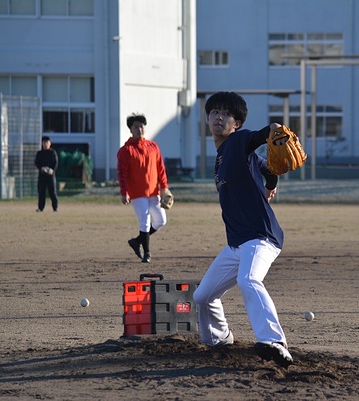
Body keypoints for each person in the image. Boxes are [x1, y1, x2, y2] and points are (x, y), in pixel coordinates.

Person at [192, 92, 293, 368]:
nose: (219, 117)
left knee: (248, 280)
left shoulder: (237, 140)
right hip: (237, 243)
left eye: (226, 114)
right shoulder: (223, 155)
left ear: (236, 123)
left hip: (260, 237)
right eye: (214, 112)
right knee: (203, 296)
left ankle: (275, 341)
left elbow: (259, 137)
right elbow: (269, 167)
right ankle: (220, 338)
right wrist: (271, 184)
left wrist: (271, 129)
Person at [117, 113, 170, 264]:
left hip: (153, 192)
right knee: (145, 220)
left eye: (141, 126)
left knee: (161, 220)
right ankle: (147, 253)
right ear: (130, 130)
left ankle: (136, 241)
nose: (139, 129)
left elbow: (161, 169)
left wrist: (164, 188)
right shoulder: (126, 150)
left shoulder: (153, 146)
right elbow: (122, 173)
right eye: (136, 126)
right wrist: (124, 192)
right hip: (137, 193)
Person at [34, 136, 58, 212]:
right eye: (44, 142)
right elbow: (36, 162)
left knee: (52, 192)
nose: (45, 144)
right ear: (42, 143)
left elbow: (56, 162)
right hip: (42, 176)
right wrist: (41, 168)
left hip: (50, 176)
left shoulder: (52, 153)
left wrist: (52, 170)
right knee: (41, 192)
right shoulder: (39, 153)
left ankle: (55, 208)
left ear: (50, 143)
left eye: (47, 142)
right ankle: (40, 208)